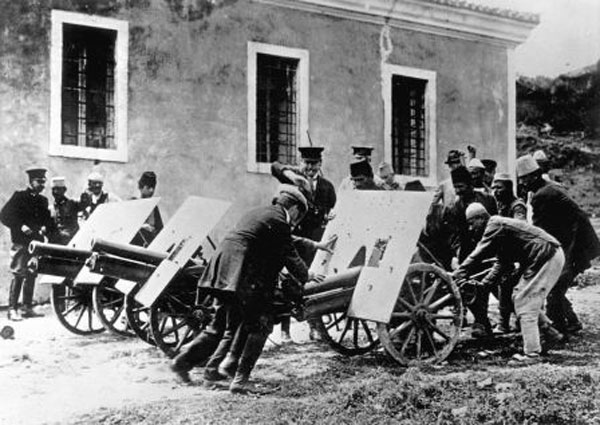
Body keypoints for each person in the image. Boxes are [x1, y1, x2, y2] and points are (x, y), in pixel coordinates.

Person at [170, 185, 328, 393]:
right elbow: (289, 253)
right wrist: (307, 276)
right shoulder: (280, 222)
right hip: (241, 274)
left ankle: (183, 365)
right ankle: (240, 380)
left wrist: (313, 245)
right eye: (299, 216)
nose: (297, 222)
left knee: (220, 325)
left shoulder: (259, 213)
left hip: (222, 269)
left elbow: (284, 238)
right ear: (295, 209)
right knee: (261, 324)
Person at [454, 203, 566, 364]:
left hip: (546, 254)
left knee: (525, 301)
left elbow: (478, 253)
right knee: (517, 296)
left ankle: (532, 355)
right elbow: (502, 263)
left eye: (472, 223)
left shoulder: (495, 224)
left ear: (481, 218)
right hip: (545, 255)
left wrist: (461, 271)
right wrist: (484, 285)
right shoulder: (500, 230)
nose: (471, 228)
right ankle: (550, 333)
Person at [517, 154, 600, 334]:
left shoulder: (543, 195)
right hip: (575, 243)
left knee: (555, 286)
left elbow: (539, 232)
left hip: (576, 246)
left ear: (535, 176)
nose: (522, 184)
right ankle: (571, 322)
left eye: (524, 179)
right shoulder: (550, 188)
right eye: (520, 180)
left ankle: (559, 330)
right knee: (557, 285)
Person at [271, 146, 336, 342]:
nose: (310, 167)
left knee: (312, 283)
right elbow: (274, 166)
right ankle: (285, 331)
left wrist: (329, 215)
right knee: (287, 283)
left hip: (316, 242)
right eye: (306, 163)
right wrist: (291, 174)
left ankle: (314, 327)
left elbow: (331, 208)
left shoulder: (327, 186)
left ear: (320, 164)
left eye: (314, 163)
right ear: (301, 163)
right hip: (293, 238)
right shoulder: (292, 179)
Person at [443, 166, 497, 337]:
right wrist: (456, 255)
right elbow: (453, 235)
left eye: (462, 187)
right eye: (456, 187)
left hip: (488, 248)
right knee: (470, 286)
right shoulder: (454, 207)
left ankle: (487, 321)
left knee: (488, 285)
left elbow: (495, 221)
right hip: (467, 251)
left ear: (470, 184)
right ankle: (481, 322)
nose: (458, 191)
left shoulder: (487, 200)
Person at [0, 167, 55, 321]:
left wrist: (45, 228)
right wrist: (21, 226)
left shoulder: (43, 201)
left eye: (44, 182)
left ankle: (27, 307)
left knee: (31, 274)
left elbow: (47, 221)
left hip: (36, 244)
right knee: (18, 274)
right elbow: (4, 216)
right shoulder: (19, 197)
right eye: (39, 181)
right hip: (21, 242)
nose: (42, 185)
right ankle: (12, 310)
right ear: (31, 182)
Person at [490, 172, 527, 333]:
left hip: (520, 255)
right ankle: (504, 323)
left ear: (508, 188)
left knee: (514, 289)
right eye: (494, 188)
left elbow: (520, 224)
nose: (496, 191)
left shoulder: (517, 205)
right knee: (502, 287)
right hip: (505, 254)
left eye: (499, 187)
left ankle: (516, 322)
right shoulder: (500, 205)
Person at [130, 171, 163, 247]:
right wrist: (142, 227)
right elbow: (126, 226)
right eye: (148, 187)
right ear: (141, 188)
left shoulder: (154, 208)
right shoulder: (132, 203)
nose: (151, 190)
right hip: (134, 245)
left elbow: (160, 229)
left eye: (153, 188)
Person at [48, 177, 79, 245]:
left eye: (58, 189)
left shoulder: (72, 204)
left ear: (64, 190)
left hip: (70, 242)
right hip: (55, 243)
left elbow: (85, 204)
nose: (56, 192)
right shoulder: (50, 209)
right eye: (53, 189)